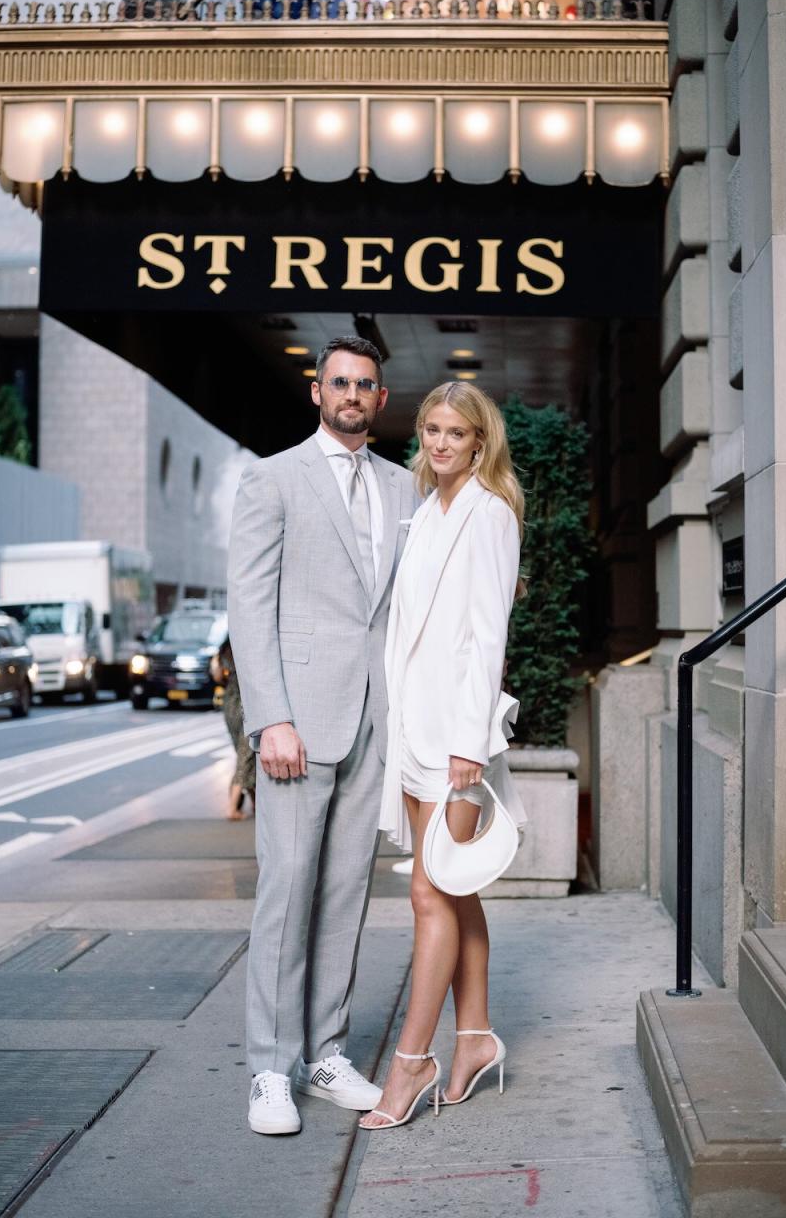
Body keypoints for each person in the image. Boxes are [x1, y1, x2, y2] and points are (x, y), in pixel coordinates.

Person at [228, 336, 418, 1136]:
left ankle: (326, 1053)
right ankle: (269, 1068)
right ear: (317, 391)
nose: (350, 395)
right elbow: (250, 604)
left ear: (379, 398)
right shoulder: (273, 479)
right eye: (338, 382)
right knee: (287, 890)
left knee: (345, 894)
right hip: (298, 724)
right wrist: (270, 717)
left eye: (364, 385)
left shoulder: (407, 487)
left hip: (378, 720)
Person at [360, 380, 525, 1132]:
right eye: (431, 429)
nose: (441, 443)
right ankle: (476, 1039)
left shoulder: (489, 515)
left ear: (480, 441)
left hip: (457, 740)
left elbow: (486, 634)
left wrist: (469, 743)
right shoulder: (426, 513)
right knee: (453, 889)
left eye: (456, 432)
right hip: (417, 732)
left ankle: (411, 1061)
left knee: (428, 895)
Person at [210, 637, 256, 819]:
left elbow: (217, 676)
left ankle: (254, 803)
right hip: (246, 705)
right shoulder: (246, 647)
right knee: (246, 757)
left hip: (229, 705)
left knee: (243, 754)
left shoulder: (222, 654)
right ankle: (232, 808)